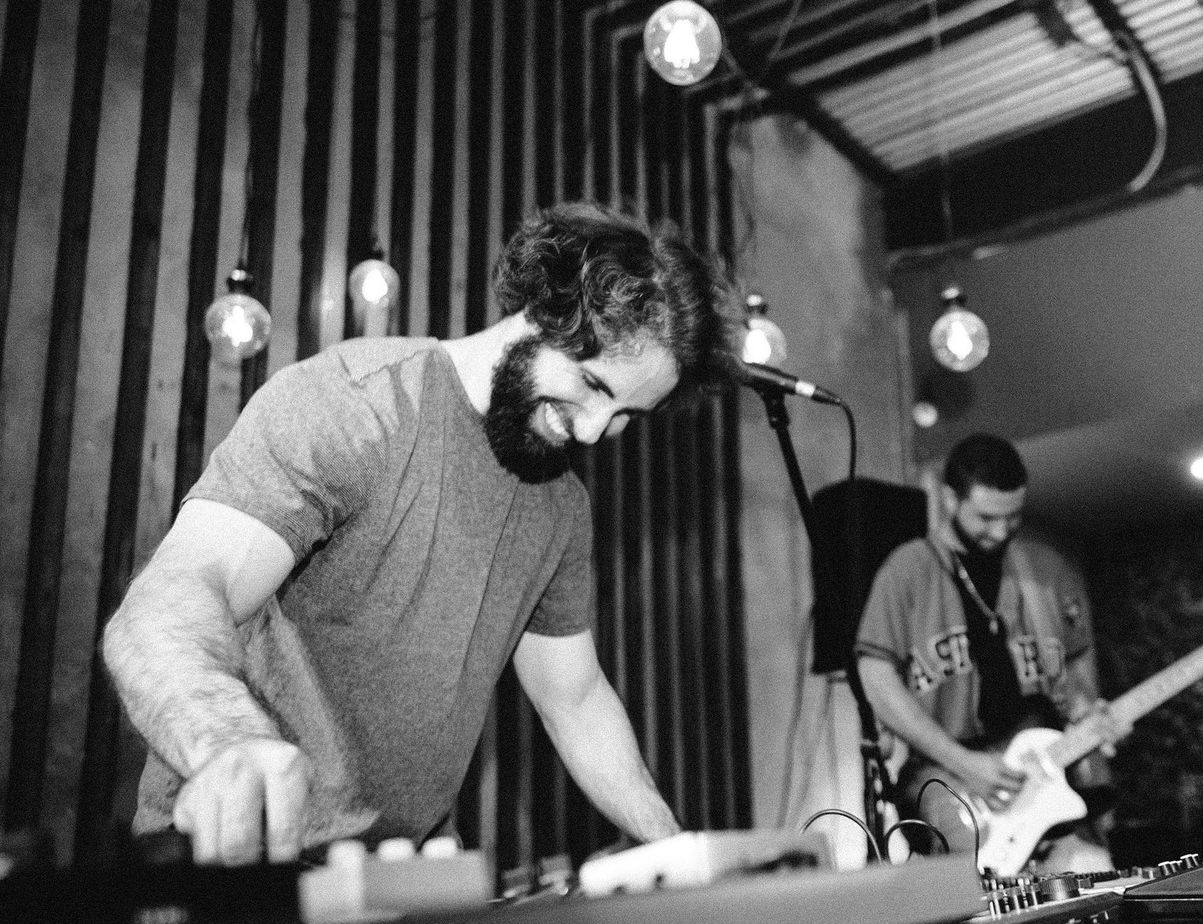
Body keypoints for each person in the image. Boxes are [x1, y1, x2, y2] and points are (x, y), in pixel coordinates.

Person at [103, 202, 738, 866]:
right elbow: (168, 600)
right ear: (543, 310)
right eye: (590, 383)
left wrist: (677, 850)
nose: (590, 430)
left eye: (625, 414)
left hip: (397, 878)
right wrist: (226, 743)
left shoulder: (562, 506)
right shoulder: (359, 402)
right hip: (237, 861)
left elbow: (573, 697)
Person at [854, 433, 1116, 873]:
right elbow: (874, 675)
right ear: (948, 496)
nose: (1000, 531)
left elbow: (1076, 663)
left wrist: (1088, 707)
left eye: (1013, 517)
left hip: (1049, 781)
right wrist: (964, 763)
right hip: (949, 779)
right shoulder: (908, 570)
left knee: (1094, 880)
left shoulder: (1048, 570)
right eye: (986, 517)